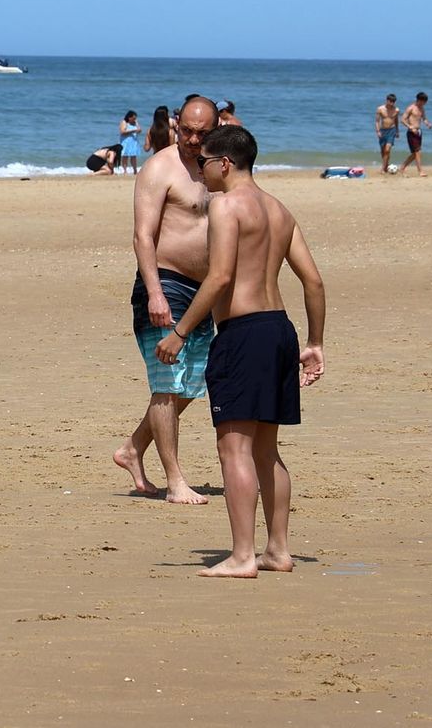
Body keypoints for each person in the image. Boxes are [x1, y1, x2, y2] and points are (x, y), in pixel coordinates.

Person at [154, 125, 325, 578]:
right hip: (278, 330)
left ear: (225, 163)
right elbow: (313, 281)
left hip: (243, 332)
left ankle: (243, 556)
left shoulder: (227, 206)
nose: (199, 170)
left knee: (234, 448)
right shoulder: (279, 210)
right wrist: (314, 342)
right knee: (267, 449)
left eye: (204, 162)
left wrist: (180, 332)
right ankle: (278, 550)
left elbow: (220, 278)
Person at [112, 95, 219, 505]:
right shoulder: (160, 168)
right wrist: (155, 292)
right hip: (166, 283)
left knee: (193, 382)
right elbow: (143, 235)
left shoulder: (216, 167)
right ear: (176, 123)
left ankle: (133, 448)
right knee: (166, 382)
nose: (192, 139)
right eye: (186, 130)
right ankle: (175, 480)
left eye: (202, 133)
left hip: (204, 289)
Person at [398, 92, 432, 177]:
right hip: (411, 133)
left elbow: (424, 119)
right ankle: (420, 171)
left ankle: (402, 167)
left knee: (414, 154)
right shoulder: (411, 108)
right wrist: (410, 127)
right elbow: (402, 119)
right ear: (419, 100)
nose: (425, 103)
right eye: (424, 101)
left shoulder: (422, 108)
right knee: (417, 152)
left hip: (419, 132)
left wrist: (427, 123)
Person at [375, 94, 400, 174]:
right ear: (387, 100)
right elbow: (377, 121)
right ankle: (386, 165)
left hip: (391, 130)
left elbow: (396, 120)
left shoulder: (396, 110)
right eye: (391, 102)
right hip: (382, 131)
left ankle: (383, 168)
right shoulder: (380, 109)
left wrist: (397, 131)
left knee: (387, 149)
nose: (392, 103)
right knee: (383, 151)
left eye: (394, 102)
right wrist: (378, 131)